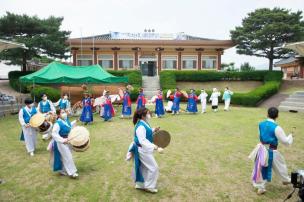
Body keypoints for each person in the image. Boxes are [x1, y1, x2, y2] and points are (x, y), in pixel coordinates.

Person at [249, 107, 293, 195]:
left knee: (261, 168)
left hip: (262, 149)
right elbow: (285, 141)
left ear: (267, 114)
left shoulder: (261, 124)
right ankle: (286, 180)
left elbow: (260, 135)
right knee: (280, 165)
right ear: (277, 116)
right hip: (272, 151)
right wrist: (290, 137)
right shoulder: (277, 127)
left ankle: (261, 186)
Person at [126, 107, 164, 193]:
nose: (149, 115)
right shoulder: (140, 126)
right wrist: (155, 147)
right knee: (154, 168)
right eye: (147, 113)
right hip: (142, 150)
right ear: (143, 116)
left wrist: (154, 130)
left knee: (143, 167)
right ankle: (149, 187)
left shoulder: (143, 123)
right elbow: (142, 140)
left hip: (143, 149)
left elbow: (147, 132)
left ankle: (140, 184)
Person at [49, 109, 78, 178]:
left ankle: (62, 170)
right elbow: (54, 133)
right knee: (68, 157)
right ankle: (72, 172)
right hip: (61, 143)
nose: (64, 113)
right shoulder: (57, 124)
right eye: (62, 113)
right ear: (59, 115)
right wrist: (62, 140)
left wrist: (75, 121)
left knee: (65, 156)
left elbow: (69, 126)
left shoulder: (66, 120)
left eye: (64, 112)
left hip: (68, 141)